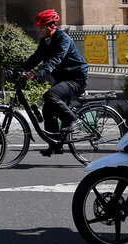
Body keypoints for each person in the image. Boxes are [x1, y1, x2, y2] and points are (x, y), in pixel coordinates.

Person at [20, 9, 88, 156]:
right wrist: (20, 70)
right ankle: (55, 144)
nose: (40, 30)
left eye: (42, 27)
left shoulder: (63, 39)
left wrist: (39, 72)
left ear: (51, 26)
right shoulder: (46, 40)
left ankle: (73, 119)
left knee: (50, 96)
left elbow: (55, 60)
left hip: (76, 79)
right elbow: (36, 57)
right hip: (63, 79)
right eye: (39, 27)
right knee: (47, 110)